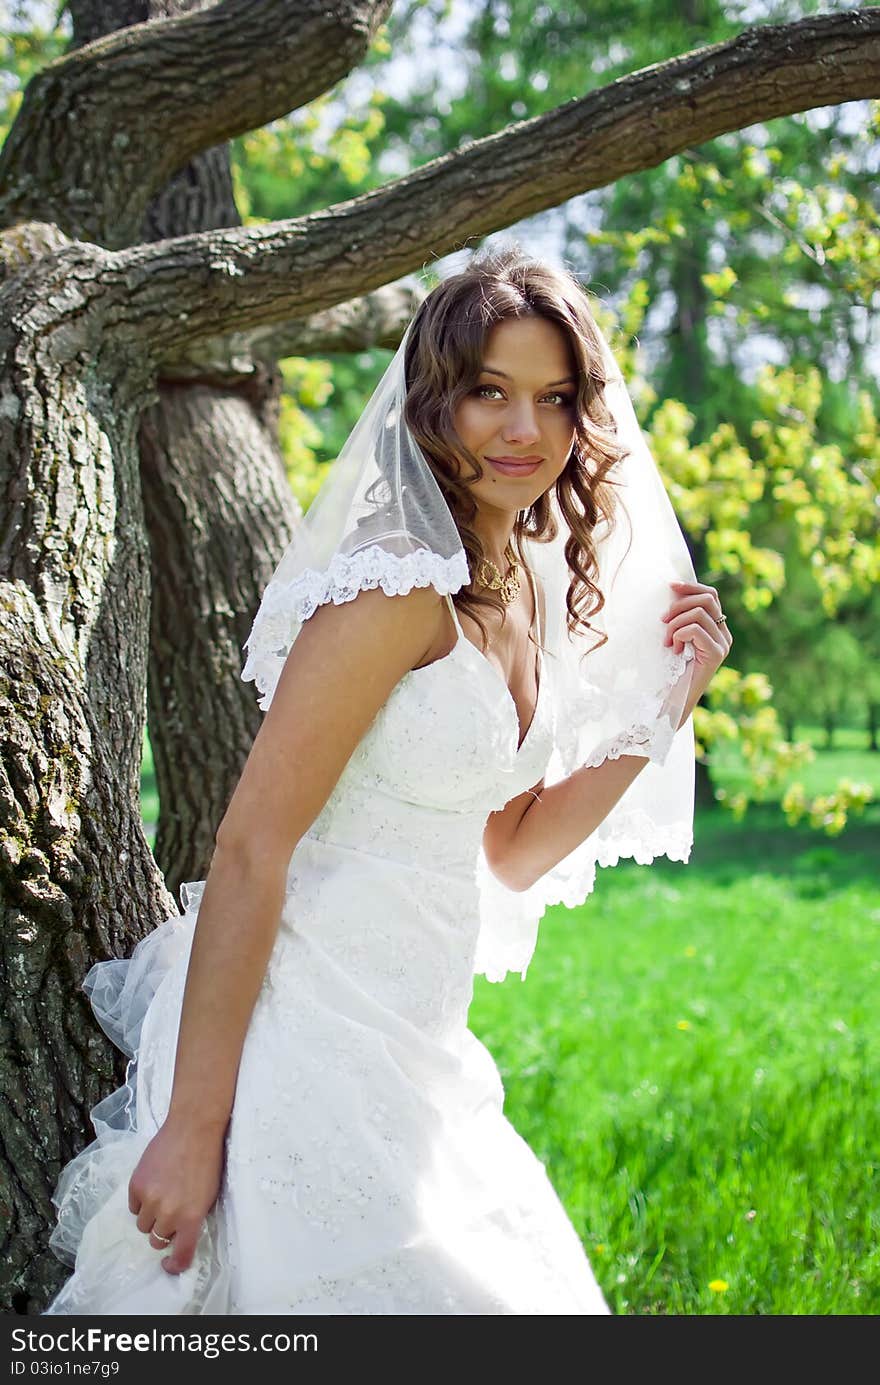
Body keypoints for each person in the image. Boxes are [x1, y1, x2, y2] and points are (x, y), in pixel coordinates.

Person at [43, 246, 732, 1315]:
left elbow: (511, 847)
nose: (524, 431)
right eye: (488, 393)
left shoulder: (520, 595)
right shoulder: (390, 591)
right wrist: (193, 1126)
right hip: (303, 1014)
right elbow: (249, 847)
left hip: (419, 1037)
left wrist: (665, 706)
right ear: (431, 404)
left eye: (553, 399)